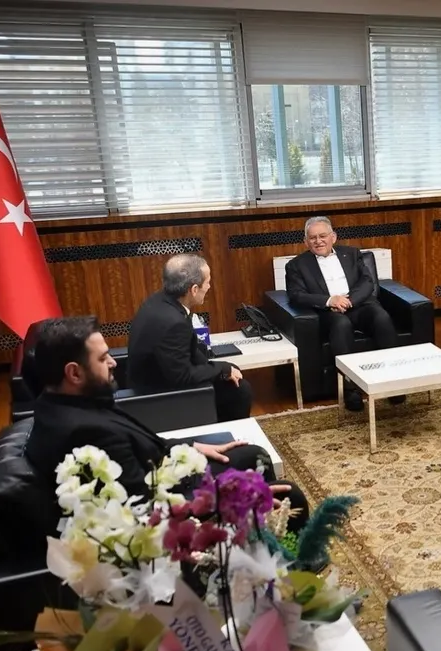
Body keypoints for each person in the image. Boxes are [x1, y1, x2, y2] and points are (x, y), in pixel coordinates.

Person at [25, 317, 310, 536]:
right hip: (169, 507)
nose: (112, 362)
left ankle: (263, 539)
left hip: (162, 472)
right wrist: (228, 498)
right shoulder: (85, 434)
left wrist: (193, 446)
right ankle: (293, 566)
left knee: (253, 454)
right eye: (102, 358)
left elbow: (140, 445)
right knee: (290, 494)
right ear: (74, 373)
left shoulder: (65, 403)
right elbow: (142, 510)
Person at [285, 216, 398, 412]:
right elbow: (296, 295)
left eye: (322, 236)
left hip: (359, 305)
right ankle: (350, 389)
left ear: (333, 237)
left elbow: (367, 282)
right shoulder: (296, 265)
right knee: (341, 325)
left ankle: (393, 382)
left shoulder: (352, 254)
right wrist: (330, 301)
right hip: (328, 312)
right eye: (312, 238)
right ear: (305, 241)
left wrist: (349, 300)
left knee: (381, 317)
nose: (318, 241)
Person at [128, 254, 251, 422]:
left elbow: (184, 353)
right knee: (239, 390)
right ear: (194, 290)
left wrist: (221, 368)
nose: (209, 287)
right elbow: (182, 376)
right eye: (207, 282)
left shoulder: (159, 301)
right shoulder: (173, 323)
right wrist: (221, 369)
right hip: (158, 396)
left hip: (158, 376)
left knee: (231, 370)